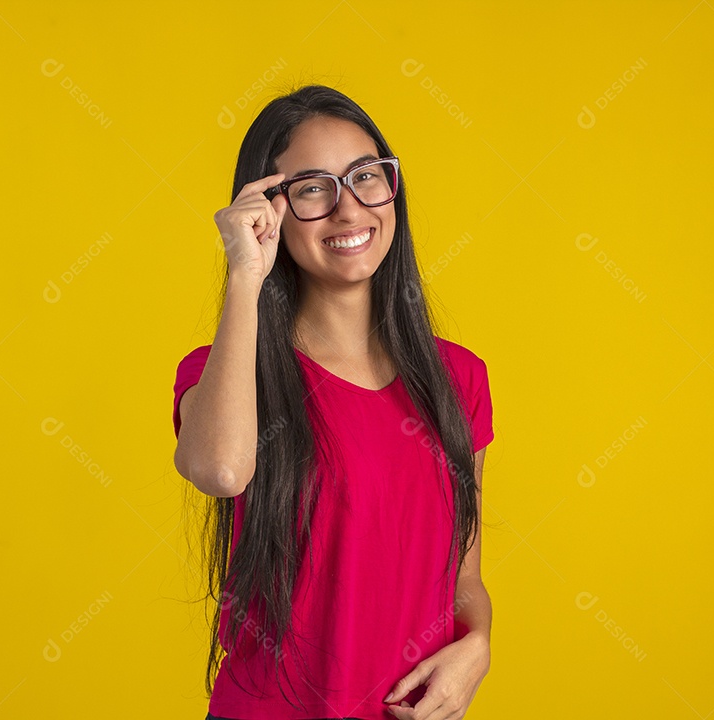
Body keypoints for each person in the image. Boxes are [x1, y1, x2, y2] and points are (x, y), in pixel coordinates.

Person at [172, 84, 494, 720]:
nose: (350, 211)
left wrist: (478, 644)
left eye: (366, 177)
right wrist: (244, 273)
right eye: (313, 188)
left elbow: (463, 575)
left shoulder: (458, 378)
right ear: (270, 209)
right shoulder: (221, 374)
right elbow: (220, 470)